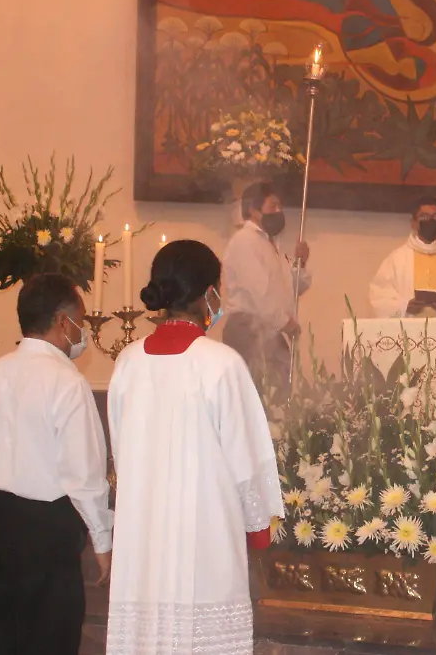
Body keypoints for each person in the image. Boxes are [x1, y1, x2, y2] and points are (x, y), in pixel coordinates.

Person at [105, 240, 284, 653]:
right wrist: (258, 529)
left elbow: (121, 450)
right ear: (209, 293)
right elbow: (246, 458)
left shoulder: (128, 362)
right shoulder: (220, 364)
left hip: (144, 533)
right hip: (206, 534)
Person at [0, 273, 112, 655]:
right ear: (62, 322)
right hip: (44, 528)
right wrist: (103, 542)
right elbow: (85, 476)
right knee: (49, 638)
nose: (83, 331)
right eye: (81, 321)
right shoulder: (67, 382)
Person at [222, 182, 311, 392]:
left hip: (268, 329)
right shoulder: (245, 241)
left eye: (280, 206)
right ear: (253, 209)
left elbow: (293, 288)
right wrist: (285, 322)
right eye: (273, 206)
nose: (278, 212)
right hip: (249, 328)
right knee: (258, 397)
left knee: (277, 394)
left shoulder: (269, 244)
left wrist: (301, 263)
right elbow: (258, 292)